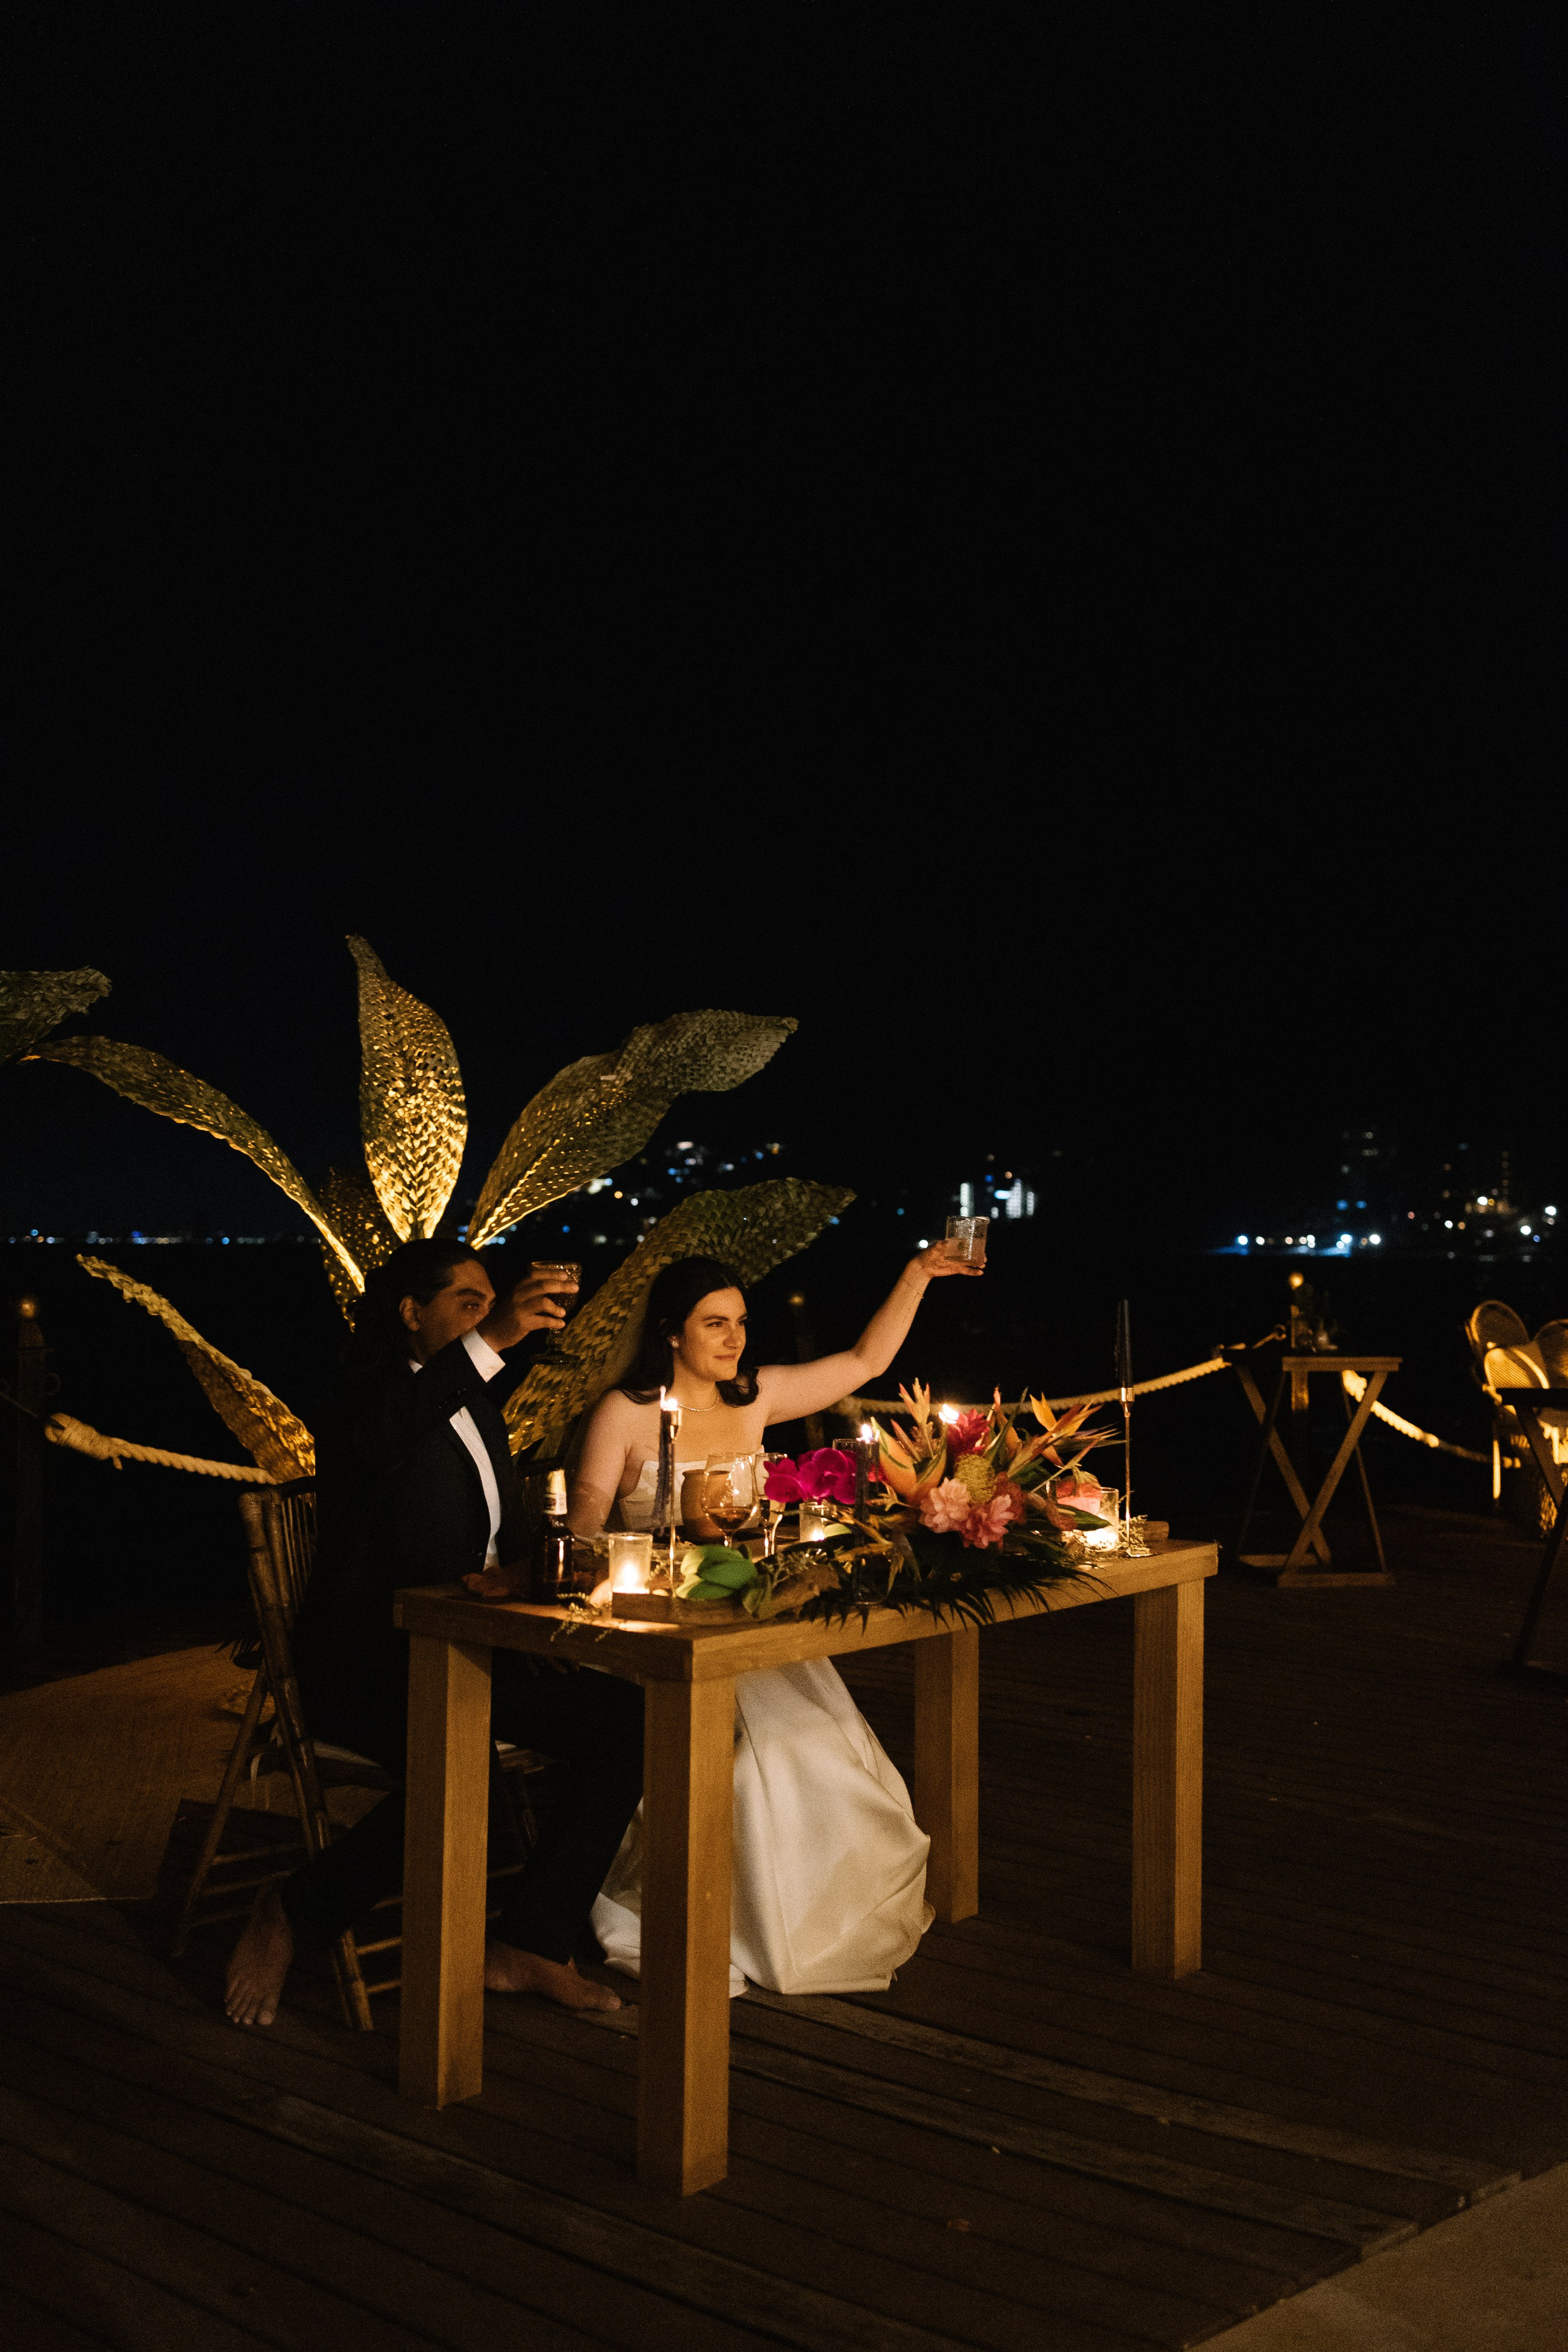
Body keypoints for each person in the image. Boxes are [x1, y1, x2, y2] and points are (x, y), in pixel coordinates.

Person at [225, 1239, 644, 2027]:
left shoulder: (472, 1401)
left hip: (474, 1651)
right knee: (462, 1768)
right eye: (469, 1303)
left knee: (630, 1721)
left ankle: (530, 1940)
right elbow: (382, 1442)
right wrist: (496, 1336)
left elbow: (492, 1532)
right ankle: (292, 1908)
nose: (488, 1317)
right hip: (371, 1666)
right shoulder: (363, 1398)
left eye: (491, 1303)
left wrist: (531, 1577)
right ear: (411, 1312)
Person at [570, 1242, 980, 1996]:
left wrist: (917, 1273)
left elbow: (863, 1362)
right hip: (656, 1630)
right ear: (670, 1333)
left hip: (748, 1621)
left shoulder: (752, 1398)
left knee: (821, 1747)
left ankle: (815, 1918)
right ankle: (727, 1918)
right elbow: (586, 1529)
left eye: (741, 1323)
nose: (734, 1339)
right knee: (770, 1760)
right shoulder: (624, 1414)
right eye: (715, 1324)